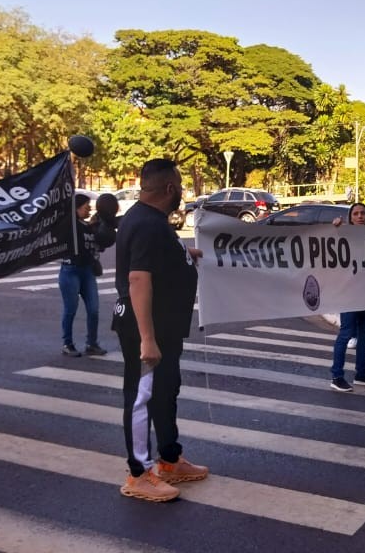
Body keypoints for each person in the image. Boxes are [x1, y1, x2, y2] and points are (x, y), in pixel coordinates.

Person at [113, 159, 206, 503]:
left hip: (164, 327)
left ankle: (169, 459)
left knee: (166, 391)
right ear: (170, 189)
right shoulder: (148, 224)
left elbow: (158, 255)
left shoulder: (152, 221)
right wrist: (148, 340)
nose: (182, 192)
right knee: (141, 397)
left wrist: (186, 251)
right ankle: (139, 473)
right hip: (145, 329)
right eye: (180, 186)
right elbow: (138, 278)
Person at [328, 203, 365, 391]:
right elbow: (329, 245)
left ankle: (362, 374)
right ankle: (337, 376)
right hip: (349, 293)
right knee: (346, 332)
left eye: (363, 213)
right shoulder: (344, 234)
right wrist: (334, 228)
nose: (360, 216)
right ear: (351, 218)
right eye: (356, 214)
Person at [58, 193, 114, 357]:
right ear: (76, 209)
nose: (90, 208)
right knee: (70, 309)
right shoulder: (71, 227)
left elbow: (101, 244)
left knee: (94, 309)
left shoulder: (90, 226)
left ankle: (92, 343)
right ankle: (67, 344)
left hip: (87, 271)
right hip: (70, 271)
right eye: (86, 206)